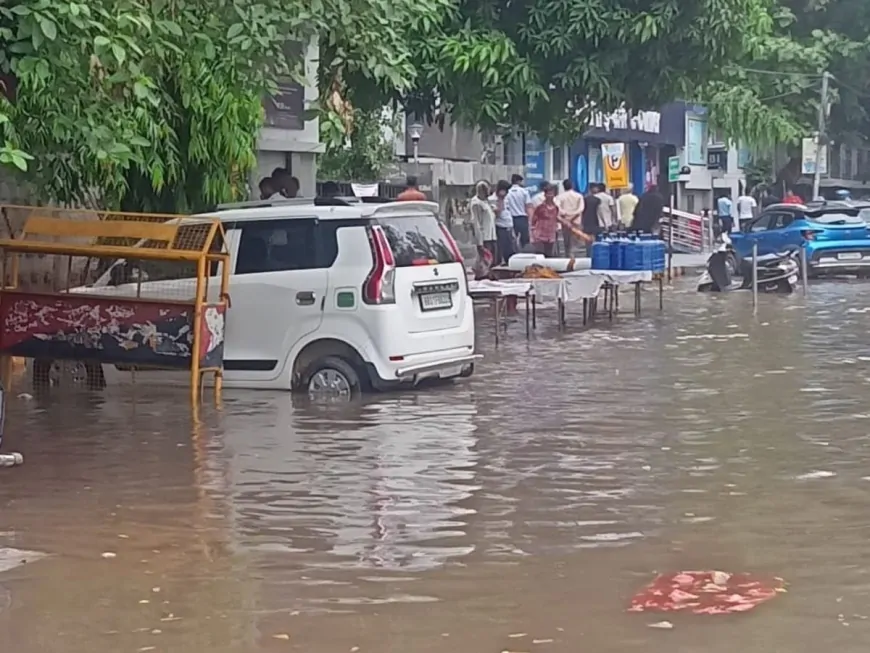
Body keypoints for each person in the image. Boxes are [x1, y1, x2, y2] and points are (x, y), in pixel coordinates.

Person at [556, 178, 584, 256]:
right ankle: (572, 255)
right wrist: (573, 215)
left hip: (564, 221)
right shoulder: (579, 196)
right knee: (575, 240)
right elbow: (581, 209)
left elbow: (558, 209)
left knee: (566, 239)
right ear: (573, 185)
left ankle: (567, 254)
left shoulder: (560, 197)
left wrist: (566, 215)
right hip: (576, 220)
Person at [469, 181, 497, 260]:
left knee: (493, 258)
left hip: (491, 235)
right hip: (484, 237)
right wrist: (479, 242)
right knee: (485, 259)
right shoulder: (476, 203)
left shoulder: (485, 201)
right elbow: (476, 222)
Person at [531, 184, 559, 257]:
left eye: (552, 194)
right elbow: (534, 220)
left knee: (549, 255)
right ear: (545, 195)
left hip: (551, 235)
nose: (550, 196)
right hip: (540, 235)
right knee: (540, 255)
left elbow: (556, 219)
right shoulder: (540, 207)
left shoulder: (556, 208)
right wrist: (533, 232)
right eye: (548, 194)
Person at [506, 174, 533, 249]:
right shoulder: (524, 192)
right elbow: (528, 206)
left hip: (511, 218)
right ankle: (524, 253)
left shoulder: (508, 192)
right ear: (519, 181)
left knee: (512, 238)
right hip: (522, 218)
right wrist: (530, 220)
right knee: (524, 240)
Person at [492, 179, 515, 264]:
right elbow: (497, 213)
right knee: (503, 248)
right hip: (500, 227)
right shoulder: (493, 199)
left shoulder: (506, 199)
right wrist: (500, 200)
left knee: (511, 248)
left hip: (508, 226)